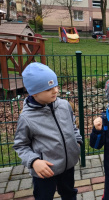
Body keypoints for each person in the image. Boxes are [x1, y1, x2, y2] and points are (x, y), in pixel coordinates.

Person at [13, 62, 83, 200]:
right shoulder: (27, 118)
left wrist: (77, 141)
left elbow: (73, 126)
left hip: (68, 165)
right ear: (34, 92)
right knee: (44, 196)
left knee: (69, 193)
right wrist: (34, 162)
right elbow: (21, 145)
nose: (55, 91)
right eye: (48, 89)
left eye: (55, 86)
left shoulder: (64, 106)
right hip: (45, 171)